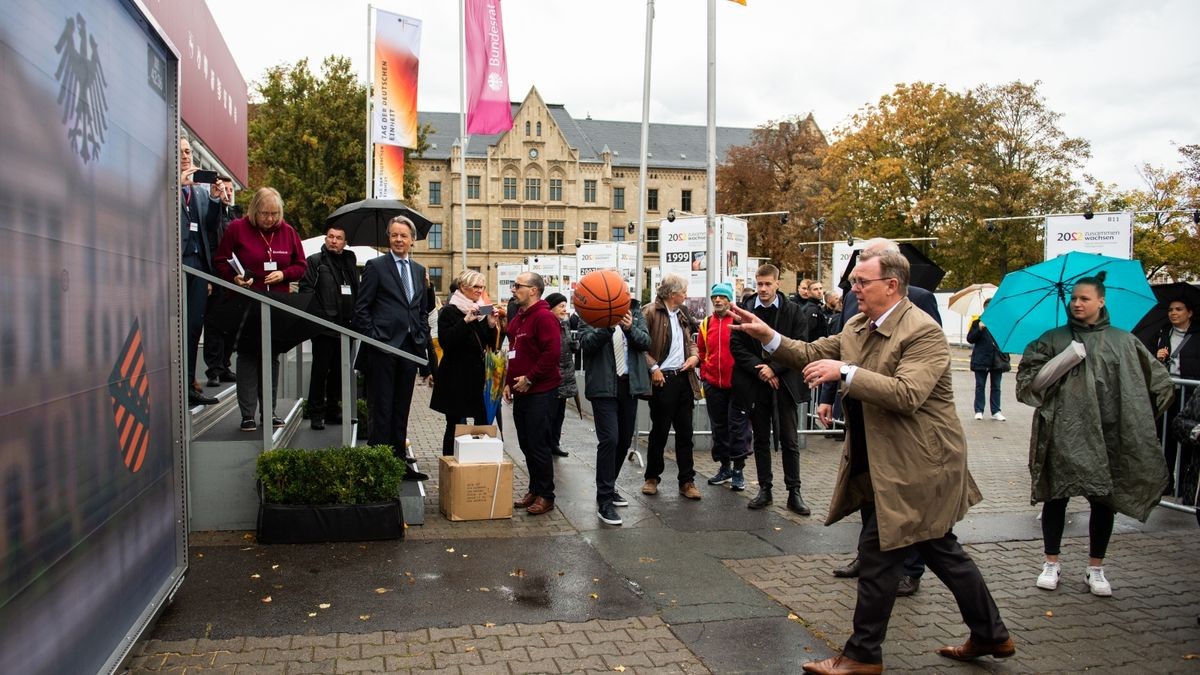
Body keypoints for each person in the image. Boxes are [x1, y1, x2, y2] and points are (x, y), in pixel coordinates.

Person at [730, 249, 1013, 674]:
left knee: (878, 554)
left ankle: (862, 656)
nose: (852, 289)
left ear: (892, 285)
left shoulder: (923, 332)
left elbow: (906, 393)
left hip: (918, 465)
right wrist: (767, 335)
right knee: (941, 550)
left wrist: (845, 372)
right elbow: (810, 352)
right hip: (886, 461)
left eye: (862, 282)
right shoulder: (858, 325)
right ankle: (992, 634)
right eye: (853, 282)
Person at [1016, 273, 1173, 597]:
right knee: (1055, 497)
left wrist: (1135, 421)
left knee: (1104, 502)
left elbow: (1153, 384)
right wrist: (1065, 357)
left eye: (1084, 298)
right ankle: (1051, 562)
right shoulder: (1052, 339)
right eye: (1074, 298)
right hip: (1062, 432)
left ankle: (1095, 567)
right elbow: (1029, 384)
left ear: (1101, 301)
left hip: (1107, 434)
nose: (1077, 303)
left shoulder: (1123, 341)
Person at [821, 238, 941, 590]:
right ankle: (868, 556)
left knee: (915, 517)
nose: (856, 283)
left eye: (869, 262)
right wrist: (829, 395)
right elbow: (839, 350)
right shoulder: (854, 301)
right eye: (860, 263)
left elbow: (916, 378)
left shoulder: (918, 306)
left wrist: (846, 374)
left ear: (891, 272)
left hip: (901, 427)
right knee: (868, 494)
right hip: (863, 420)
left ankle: (910, 570)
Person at [213, 187, 306, 432]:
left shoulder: (288, 232)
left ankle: (270, 411)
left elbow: (301, 265)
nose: (270, 219)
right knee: (247, 357)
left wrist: (284, 274)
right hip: (246, 304)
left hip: (277, 304)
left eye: (275, 214)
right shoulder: (237, 228)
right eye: (265, 213)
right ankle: (247, 415)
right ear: (255, 210)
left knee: (271, 357)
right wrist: (235, 278)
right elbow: (221, 260)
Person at [354, 216, 432, 481]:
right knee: (381, 408)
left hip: (409, 349)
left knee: (401, 408)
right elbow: (362, 308)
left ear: (412, 240)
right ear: (389, 238)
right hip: (383, 349)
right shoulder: (376, 267)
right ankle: (379, 465)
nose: (399, 240)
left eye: (404, 236)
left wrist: (420, 335)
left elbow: (421, 310)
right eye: (394, 235)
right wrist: (374, 338)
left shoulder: (419, 270)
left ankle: (399, 464)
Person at [730, 264, 811, 514]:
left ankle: (794, 491)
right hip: (756, 385)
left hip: (784, 384)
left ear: (777, 283)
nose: (763, 289)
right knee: (761, 438)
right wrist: (760, 370)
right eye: (759, 283)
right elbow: (737, 346)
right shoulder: (745, 311)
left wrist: (774, 369)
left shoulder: (793, 311)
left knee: (789, 439)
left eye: (767, 284)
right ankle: (765, 488)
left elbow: (801, 345)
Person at [580, 289, 652, 526]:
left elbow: (646, 342)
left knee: (622, 440)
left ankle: (609, 487)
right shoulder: (590, 312)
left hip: (628, 386)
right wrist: (608, 327)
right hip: (603, 388)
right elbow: (586, 345)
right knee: (609, 439)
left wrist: (630, 328)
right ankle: (604, 501)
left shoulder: (634, 311)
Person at [504, 272, 562, 515]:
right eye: (513, 284)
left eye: (518, 285)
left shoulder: (544, 317)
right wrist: (509, 382)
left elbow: (552, 353)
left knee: (538, 444)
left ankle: (546, 495)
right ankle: (534, 488)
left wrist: (530, 378)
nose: (513, 289)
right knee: (526, 443)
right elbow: (513, 351)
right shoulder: (520, 316)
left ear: (534, 290)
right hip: (522, 391)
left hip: (540, 391)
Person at [641, 274, 703, 500]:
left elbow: (691, 341)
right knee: (659, 431)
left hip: (683, 379)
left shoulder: (683, 314)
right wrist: (653, 368)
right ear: (672, 293)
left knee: (685, 432)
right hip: (663, 380)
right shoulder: (649, 312)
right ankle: (651, 477)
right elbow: (639, 345)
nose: (686, 295)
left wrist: (695, 357)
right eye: (683, 291)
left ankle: (687, 481)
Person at [429, 270, 502, 456]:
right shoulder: (449, 311)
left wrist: (491, 325)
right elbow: (446, 342)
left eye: (482, 287)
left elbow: (487, 343)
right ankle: (450, 465)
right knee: (455, 425)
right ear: (463, 287)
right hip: (455, 378)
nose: (480, 291)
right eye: (475, 287)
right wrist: (465, 321)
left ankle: (477, 463)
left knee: (482, 422)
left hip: (477, 377)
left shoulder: (479, 309)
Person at [298, 226, 359, 430]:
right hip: (324, 327)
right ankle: (316, 412)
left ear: (345, 242)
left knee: (339, 372)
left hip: (346, 326)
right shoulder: (316, 261)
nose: (334, 241)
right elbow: (306, 289)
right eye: (331, 237)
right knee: (320, 371)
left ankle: (333, 410)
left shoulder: (350, 262)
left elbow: (357, 290)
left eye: (338, 238)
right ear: (325, 239)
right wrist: (317, 317)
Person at [179, 137, 223, 406]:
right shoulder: (165, 184)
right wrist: (176, 186)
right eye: (181, 151)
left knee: (194, 327)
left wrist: (216, 200)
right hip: (174, 264)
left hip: (198, 265)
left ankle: (189, 383)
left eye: (188, 152)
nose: (186, 156)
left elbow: (209, 226)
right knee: (176, 328)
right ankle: (175, 384)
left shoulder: (199, 191)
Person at [697, 282, 752, 491]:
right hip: (714, 385)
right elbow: (702, 352)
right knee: (719, 427)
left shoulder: (740, 321)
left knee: (738, 428)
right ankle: (725, 467)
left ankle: (738, 471)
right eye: (715, 297)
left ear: (730, 300)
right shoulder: (705, 323)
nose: (718, 300)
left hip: (737, 386)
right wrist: (705, 375)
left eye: (722, 297)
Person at [1152, 297, 1200, 502]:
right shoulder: (1164, 333)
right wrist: (1159, 357)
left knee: (1187, 441)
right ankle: (1166, 483)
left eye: (1179, 309)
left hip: (1191, 395)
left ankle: (1184, 484)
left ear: (1189, 313)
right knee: (1166, 439)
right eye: (1171, 309)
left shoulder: (1197, 335)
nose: (1173, 313)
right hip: (1169, 391)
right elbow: (1153, 363)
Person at [202, 176, 238, 388]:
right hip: (215, 275)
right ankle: (213, 369)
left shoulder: (235, 216)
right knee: (214, 323)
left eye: (230, 189)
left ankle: (225, 365)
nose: (228, 192)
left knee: (231, 324)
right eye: (223, 188)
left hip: (233, 278)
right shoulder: (211, 212)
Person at [545, 293, 577, 459]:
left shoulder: (564, 324)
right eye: (561, 306)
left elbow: (567, 346)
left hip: (565, 375)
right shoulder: (548, 325)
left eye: (565, 305)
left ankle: (554, 443)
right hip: (552, 376)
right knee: (549, 413)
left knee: (559, 414)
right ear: (551, 308)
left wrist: (574, 345)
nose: (565, 309)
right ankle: (547, 443)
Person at [966, 298, 1009, 422]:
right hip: (981, 359)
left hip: (997, 360)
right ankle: (979, 410)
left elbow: (1005, 339)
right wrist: (979, 329)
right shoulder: (977, 322)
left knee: (996, 386)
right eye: (987, 308)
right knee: (980, 386)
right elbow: (970, 339)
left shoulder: (1001, 323)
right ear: (984, 309)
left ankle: (996, 411)